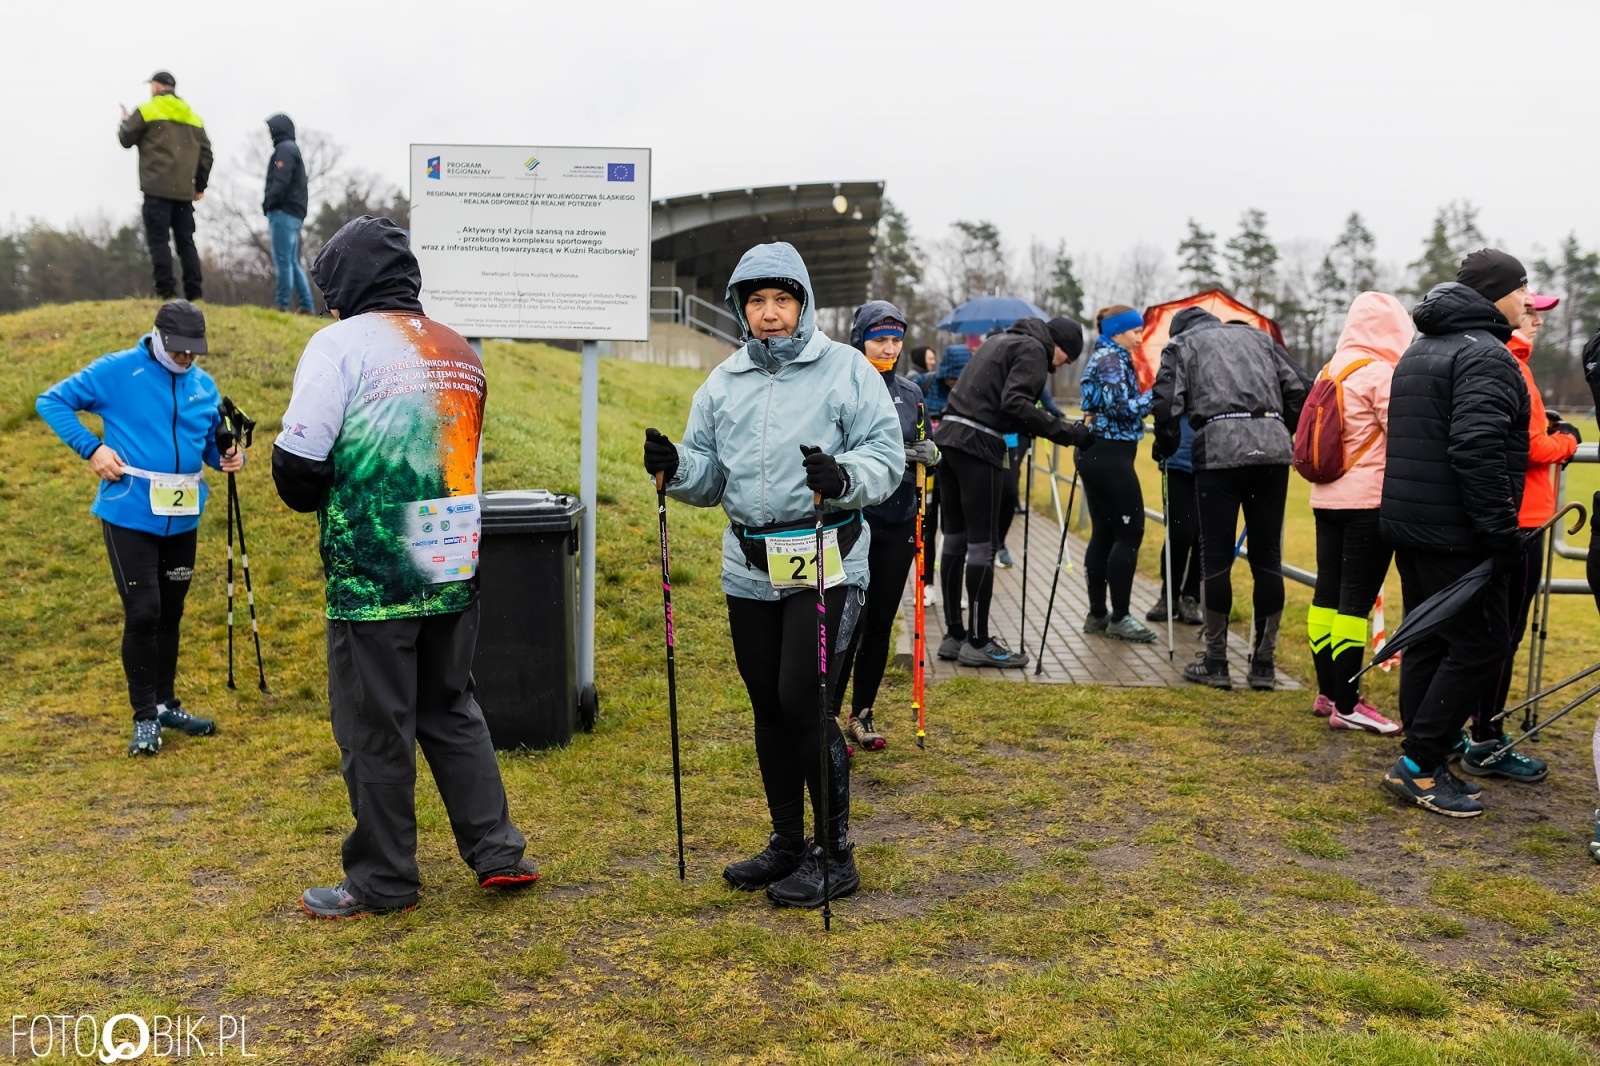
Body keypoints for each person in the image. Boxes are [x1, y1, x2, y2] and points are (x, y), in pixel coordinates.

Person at [272, 216, 538, 917]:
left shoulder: (337, 346)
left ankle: (384, 880)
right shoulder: (460, 348)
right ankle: (497, 851)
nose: (328, 302)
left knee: (374, 727)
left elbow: (298, 468)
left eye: (330, 287)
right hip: (451, 557)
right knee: (451, 708)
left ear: (347, 283)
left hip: (375, 570)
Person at [642, 242, 902, 908]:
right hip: (749, 564)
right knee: (766, 704)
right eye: (756, 301)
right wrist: (674, 466)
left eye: (782, 299)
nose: (770, 313)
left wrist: (843, 478)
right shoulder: (723, 382)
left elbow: (886, 457)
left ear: (804, 303)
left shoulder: (846, 372)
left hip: (826, 555)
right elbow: (708, 479)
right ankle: (789, 842)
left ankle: (835, 854)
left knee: (802, 701)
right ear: (740, 307)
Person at [36, 301, 242, 755]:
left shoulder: (203, 386)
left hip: (183, 515)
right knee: (144, 611)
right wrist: (91, 449)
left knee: (171, 612)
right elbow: (51, 400)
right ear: (158, 337)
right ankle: (144, 717)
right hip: (129, 513)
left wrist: (226, 457)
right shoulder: (118, 371)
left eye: (195, 352)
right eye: (180, 350)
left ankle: (167, 704)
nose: (187, 359)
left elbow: (208, 445)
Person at [1377, 249, 1532, 818]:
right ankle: (1418, 766)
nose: (1527, 300)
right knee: (1480, 644)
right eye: (1521, 288)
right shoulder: (1487, 356)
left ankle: (1426, 758)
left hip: (1413, 523)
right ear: (1496, 293)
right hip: (1457, 532)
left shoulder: (1423, 347)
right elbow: (1477, 447)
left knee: (1430, 638)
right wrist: (1499, 531)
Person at [1152, 308, 1307, 690]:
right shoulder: (1261, 338)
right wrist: (1275, 428)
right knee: (1267, 556)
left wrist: (1165, 445)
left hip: (1219, 450)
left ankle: (1217, 660)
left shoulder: (1182, 345)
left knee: (1215, 556)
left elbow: (1166, 403)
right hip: (1271, 450)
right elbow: (1301, 388)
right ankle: (1264, 664)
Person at [1457, 294, 1579, 781]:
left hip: (1507, 514)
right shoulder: (1510, 362)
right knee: (1501, 635)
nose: (1538, 318)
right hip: (1522, 517)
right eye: (1530, 309)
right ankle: (1485, 737)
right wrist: (1568, 441)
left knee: (1485, 632)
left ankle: (1466, 730)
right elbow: (1528, 445)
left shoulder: (1495, 357)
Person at [933, 316, 1093, 668]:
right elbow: (1015, 404)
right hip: (979, 445)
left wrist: (1035, 426)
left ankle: (954, 635)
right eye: (1065, 360)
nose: (1057, 368)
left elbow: (1000, 399)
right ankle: (977, 641)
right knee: (982, 545)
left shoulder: (999, 341)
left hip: (948, 439)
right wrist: (1068, 432)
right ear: (1061, 347)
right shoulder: (1036, 349)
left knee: (956, 540)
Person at [829, 301, 940, 753]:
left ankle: (863, 713)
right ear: (860, 340)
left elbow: (924, 441)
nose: (889, 348)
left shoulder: (911, 392)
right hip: (855, 520)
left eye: (896, 339)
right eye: (880, 339)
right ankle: (827, 714)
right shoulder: (841, 384)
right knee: (846, 622)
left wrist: (930, 452)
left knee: (878, 624)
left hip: (897, 522)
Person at [1303, 292, 1410, 735]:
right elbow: (1401, 433)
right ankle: (1347, 704)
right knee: (1355, 604)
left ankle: (1328, 691)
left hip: (1325, 497)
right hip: (1367, 501)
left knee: (1326, 594)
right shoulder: (1381, 373)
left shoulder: (1330, 369)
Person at [1078, 305, 1157, 642]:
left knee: (1105, 533)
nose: (1140, 336)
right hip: (1109, 452)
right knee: (1130, 531)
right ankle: (1120, 617)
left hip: (1101, 452)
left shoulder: (1112, 356)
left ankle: (1098, 614)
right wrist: (1158, 393)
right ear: (1118, 330)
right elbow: (1120, 407)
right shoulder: (1111, 358)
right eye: (1135, 330)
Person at [118, 71, 212, 301]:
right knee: (186, 243)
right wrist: (199, 185)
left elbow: (126, 140)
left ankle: (166, 292)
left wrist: (124, 121)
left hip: (156, 189)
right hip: (183, 192)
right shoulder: (193, 116)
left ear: (158, 87)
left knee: (159, 241)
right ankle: (194, 294)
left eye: (152, 85)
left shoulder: (147, 110)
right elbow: (207, 154)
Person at [1147, 418, 1202, 626]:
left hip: (1211, 457)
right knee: (1179, 533)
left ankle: (1191, 597)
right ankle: (1168, 595)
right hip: (1178, 459)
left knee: (1202, 535)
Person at [263, 114, 315, 314]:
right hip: (294, 213)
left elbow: (280, 181)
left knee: (283, 260)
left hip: (284, 212)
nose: (269, 134)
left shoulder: (284, 149)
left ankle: (281, 304)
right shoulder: (292, 149)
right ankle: (306, 305)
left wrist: (270, 202)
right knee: (291, 261)